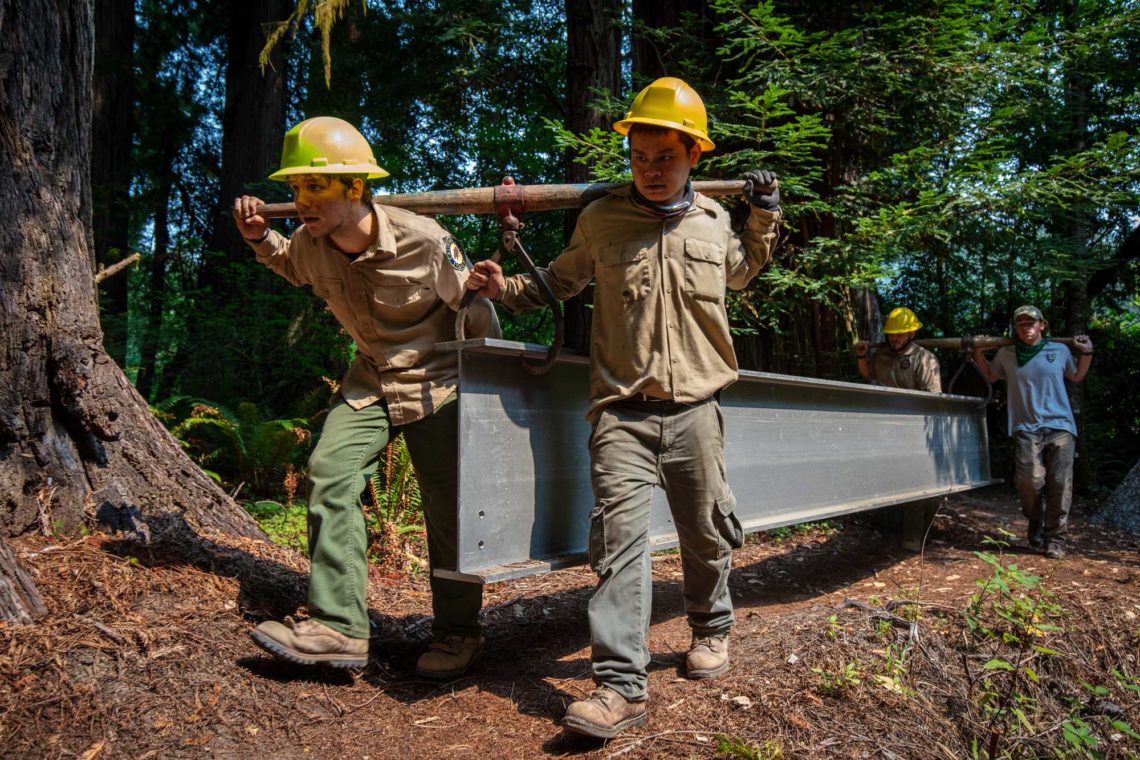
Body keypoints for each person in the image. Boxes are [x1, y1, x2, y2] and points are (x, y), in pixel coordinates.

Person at [466, 77, 781, 738]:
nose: (651, 169)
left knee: (704, 528)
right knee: (619, 544)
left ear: (694, 153)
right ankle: (618, 686)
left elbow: (744, 271)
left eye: (665, 156)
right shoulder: (602, 219)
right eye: (639, 156)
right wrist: (507, 287)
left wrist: (765, 215)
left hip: (697, 407)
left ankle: (712, 627)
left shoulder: (713, 220)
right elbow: (558, 281)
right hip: (620, 412)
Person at [232, 116, 500, 679]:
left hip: (440, 384)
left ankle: (458, 634)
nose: (302, 200)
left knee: (448, 510)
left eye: (316, 187)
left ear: (354, 187)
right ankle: (339, 628)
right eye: (296, 188)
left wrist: (487, 381)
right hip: (372, 380)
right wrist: (260, 239)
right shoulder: (309, 243)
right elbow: (289, 263)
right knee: (330, 472)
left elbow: (477, 319)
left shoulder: (426, 241)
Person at [973, 305, 1093, 559]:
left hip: (1060, 425)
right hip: (1025, 426)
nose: (1026, 327)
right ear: (1015, 328)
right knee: (1029, 480)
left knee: (1060, 482)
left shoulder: (1058, 350)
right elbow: (991, 377)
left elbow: (1076, 376)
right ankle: (1035, 520)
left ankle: (1055, 539)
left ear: (1042, 325)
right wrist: (979, 353)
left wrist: (1087, 353)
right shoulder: (1007, 353)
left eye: (1031, 322)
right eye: (1020, 324)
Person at [854, 307, 941, 393]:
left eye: (899, 333)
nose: (894, 338)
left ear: (912, 334)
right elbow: (868, 373)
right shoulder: (881, 355)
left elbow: (934, 396)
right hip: (884, 405)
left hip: (913, 406)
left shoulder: (924, 359)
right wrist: (860, 356)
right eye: (891, 334)